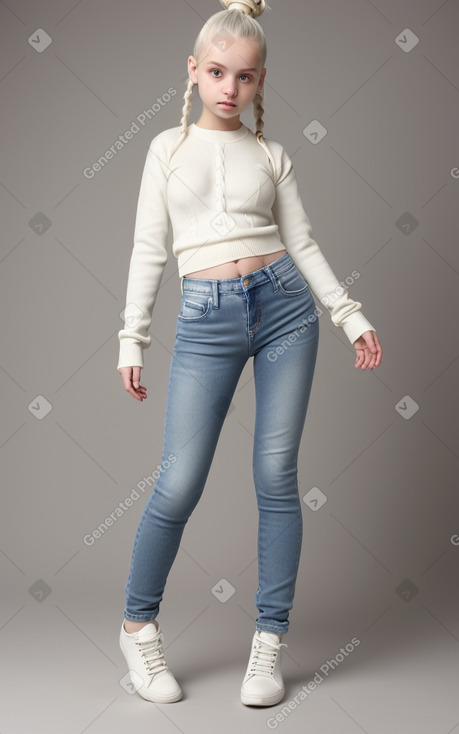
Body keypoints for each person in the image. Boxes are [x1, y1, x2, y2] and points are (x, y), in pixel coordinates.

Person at [116, 0, 383, 708]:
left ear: (261, 81)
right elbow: (149, 248)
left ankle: (268, 645)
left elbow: (303, 243)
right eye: (215, 72)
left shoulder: (272, 155)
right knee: (179, 482)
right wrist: (131, 337)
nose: (229, 88)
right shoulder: (165, 151)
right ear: (193, 72)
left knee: (275, 475)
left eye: (245, 76)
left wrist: (348, 315)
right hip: (205, 320)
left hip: (285, 311)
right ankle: (137, 629)